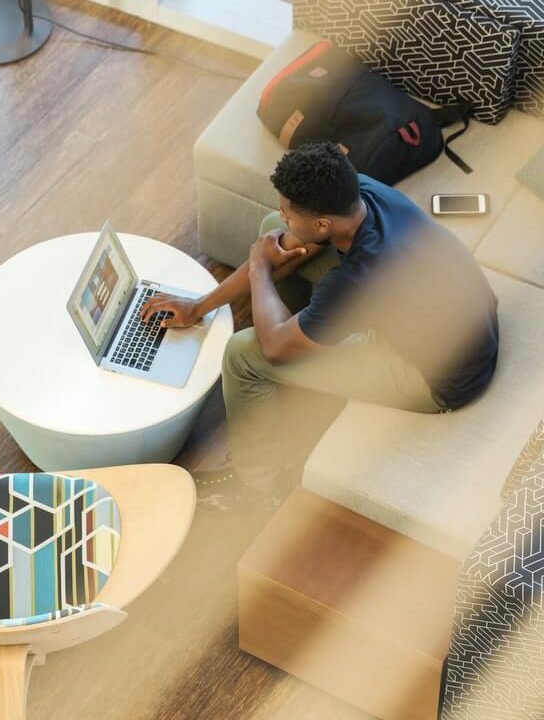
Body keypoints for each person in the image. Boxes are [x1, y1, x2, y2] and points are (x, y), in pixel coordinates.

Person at [141, 142, 499, 511]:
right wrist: (199, 306)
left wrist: (261, 269)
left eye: (288, 211)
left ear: (324, 223)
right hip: (463, 321)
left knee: (242, 354)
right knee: (272, 233)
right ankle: (304, 336)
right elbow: (291, 240)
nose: (283, 216)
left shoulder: (361, 274)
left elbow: (273, 347)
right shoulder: (360, 192)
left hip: (437, 378)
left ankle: (257, 487)